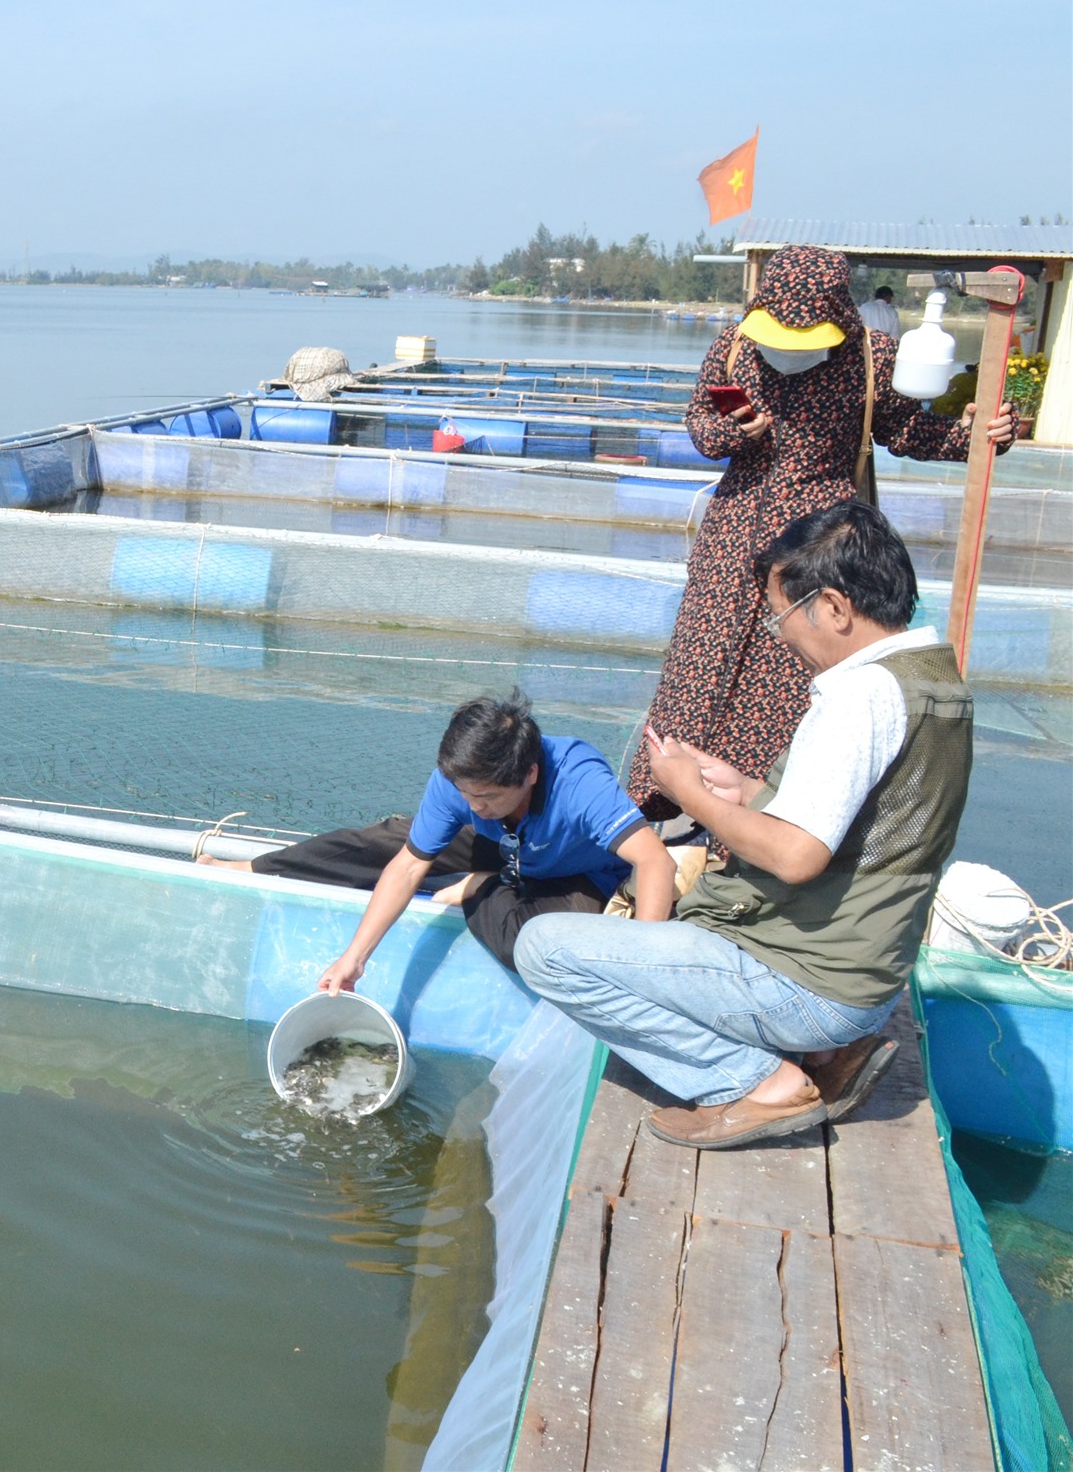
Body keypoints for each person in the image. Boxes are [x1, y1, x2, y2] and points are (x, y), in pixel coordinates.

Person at [515, 502, 971, 1149]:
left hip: (811, 989)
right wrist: (745, 790)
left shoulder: (858, 697)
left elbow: (796, 857)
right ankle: (822, 1058)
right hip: (864, 983)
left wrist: (686, 795)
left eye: (783, 614)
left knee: (545, 949)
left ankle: (758, 1082)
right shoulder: (935, 680)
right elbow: (866, 827)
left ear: (836, 609)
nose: (780, 635)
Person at [622, 245, 1012, 824]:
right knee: (700, 667)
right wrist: (734, 432)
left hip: (821, 542)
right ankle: (667, 801)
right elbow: (700, 426)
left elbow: (907, 431)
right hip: (736, 533)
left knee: (792, 677)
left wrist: (978, 434)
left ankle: (769, 817)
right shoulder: (736, 346)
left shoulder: (872, 357)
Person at [203, 693, 676, 977]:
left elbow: (657, 862)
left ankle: (483, 885)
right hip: (505, 846)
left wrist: (644, 969)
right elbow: (408, 866)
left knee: (527, 946)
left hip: (578, 872)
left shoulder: (579, 781)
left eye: (487, 795)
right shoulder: (461, 782)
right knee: (386, 842)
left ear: (529, 774)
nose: (473, 805)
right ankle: (252, 868)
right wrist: (354, 958)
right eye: (464, 792)